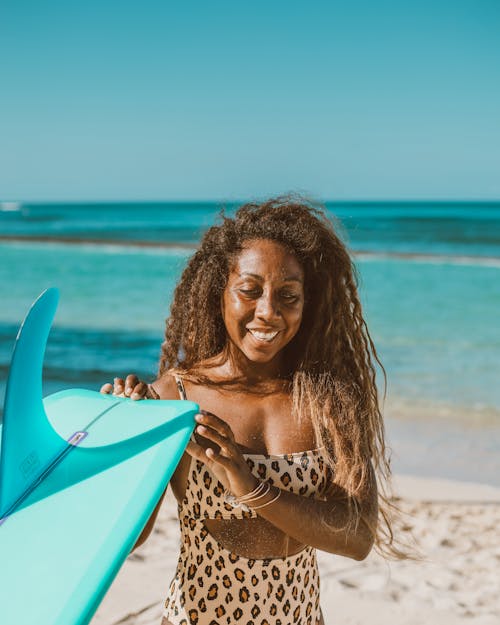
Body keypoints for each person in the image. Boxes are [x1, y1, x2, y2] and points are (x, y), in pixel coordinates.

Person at [101, 196, 401, 625]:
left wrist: (248, 484)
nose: (268, 312)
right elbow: (129, 540)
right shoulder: (176, 395)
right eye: (249, 290)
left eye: (288, 296)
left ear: (308, 301)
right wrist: (126, 443)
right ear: (218, 292)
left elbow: (358, 536)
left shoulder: (327, 399)